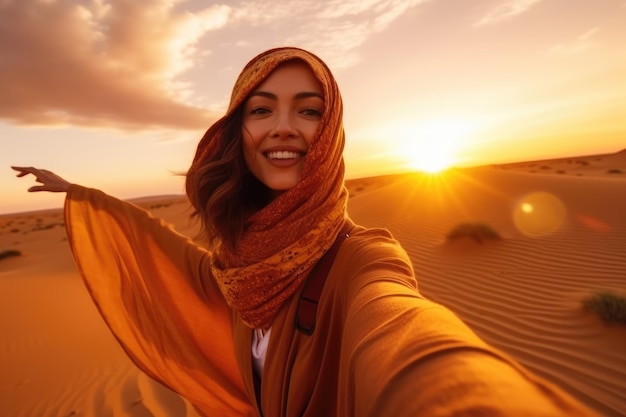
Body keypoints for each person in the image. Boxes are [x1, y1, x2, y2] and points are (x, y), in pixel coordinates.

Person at [13, 47, 597, 417]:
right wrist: (84, 195)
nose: (283, 128)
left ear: (332, 127)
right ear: (237, 129)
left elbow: (408, 335)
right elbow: (193, 269)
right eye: (261, 109)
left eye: (309, 109)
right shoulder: (243, 262)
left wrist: (463, 391)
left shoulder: (363, 258)